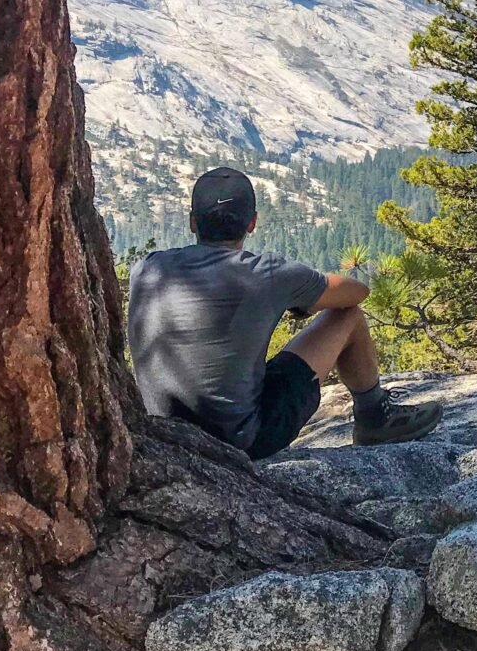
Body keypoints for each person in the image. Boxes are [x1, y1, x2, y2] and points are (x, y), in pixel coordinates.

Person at [128, 166, 441, 457]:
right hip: (243, 441)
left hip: (165, 437)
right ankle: (375, 416)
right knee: (348, 317)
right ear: (252, 223)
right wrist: (303, 298)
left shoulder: (147, 269)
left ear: (192, 221)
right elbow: (357, 293)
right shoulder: (267, 273)